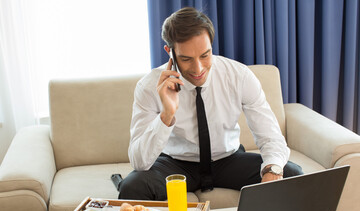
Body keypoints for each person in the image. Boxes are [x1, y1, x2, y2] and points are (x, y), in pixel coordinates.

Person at [118, 7, 302, 200]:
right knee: (133, 187)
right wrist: (166, 115)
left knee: (292, 174)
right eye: (186, 59)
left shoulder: (239, 76)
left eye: (205, 55)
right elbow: (139, 162)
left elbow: (270, 136)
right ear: (169, 51)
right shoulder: (148, 87)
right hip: (177, 164)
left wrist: (272, 170)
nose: (198, 69)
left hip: (228, 160)